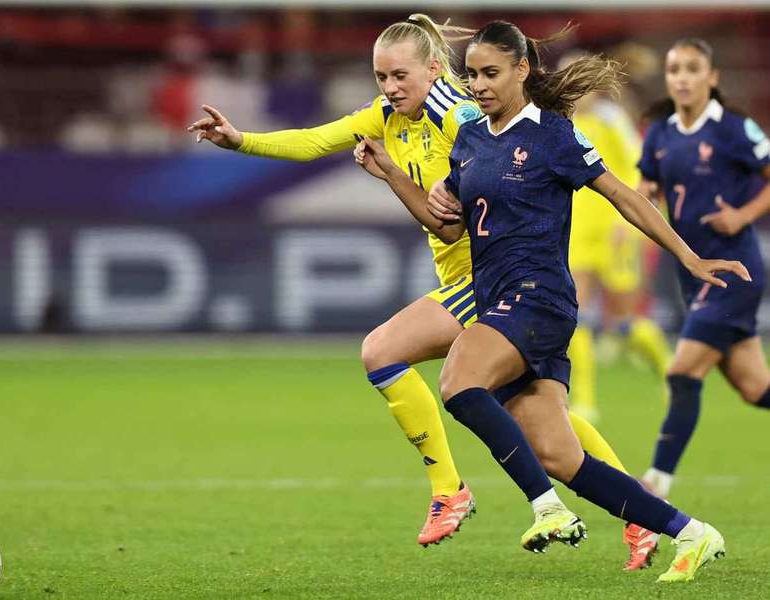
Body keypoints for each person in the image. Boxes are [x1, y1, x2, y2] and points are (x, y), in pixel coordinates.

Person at [188, 15, 657, 567]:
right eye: (381, 77)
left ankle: (449, 490)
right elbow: (314, 141)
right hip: (473, 279)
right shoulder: (385, 116)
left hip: (489, 279)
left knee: (381, 351)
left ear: (434, 70)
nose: (389, 88)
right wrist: (239, 139)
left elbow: (512, 159)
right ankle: (642, 516)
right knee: (543, 422)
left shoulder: (460, 116)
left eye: (399, 76)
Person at [355, 20, 747, 582]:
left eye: (492, 72)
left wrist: (689, 257)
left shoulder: (553, 135)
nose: (481, 84)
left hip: (538, 299)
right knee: (562, 458)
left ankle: (547, 509)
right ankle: (692, 532)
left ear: (523, 71)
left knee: (459, 381)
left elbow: (624, 196)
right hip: (498, 303)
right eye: (472, 75)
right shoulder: (469, 142)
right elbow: (446, 229)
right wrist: (391, 173)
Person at [636, 38, 770, 500]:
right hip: (692, 274)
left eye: (693, 68)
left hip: (734, 273)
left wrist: (742, 216)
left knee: (682, 372)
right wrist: (644, 195)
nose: (683, 77)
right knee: (756, 390)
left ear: (711, 78)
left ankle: (656, 483)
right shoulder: (660, 133)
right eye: (674, 69)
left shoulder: (734, 129)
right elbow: (647, 185)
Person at [561, 61, 671, 423]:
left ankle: (669, 373)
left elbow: (641, 166)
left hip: (614, 229)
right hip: (576, 231)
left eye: (581, 81)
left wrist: (634, 218)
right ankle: (585, 399)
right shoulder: (557, 121)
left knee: (623, 321)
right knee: (573, 314)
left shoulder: (612, 120)